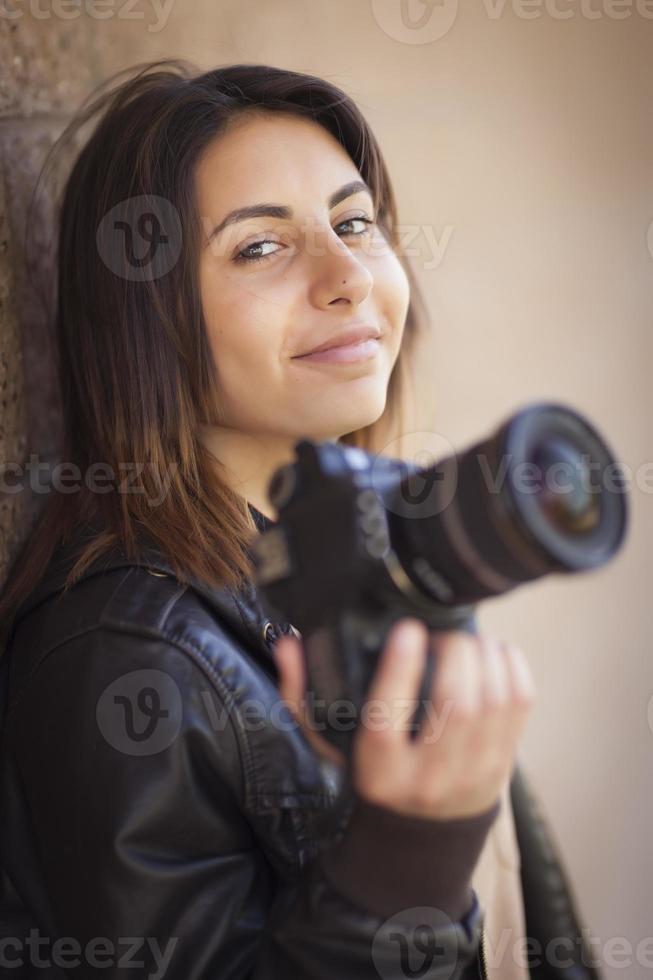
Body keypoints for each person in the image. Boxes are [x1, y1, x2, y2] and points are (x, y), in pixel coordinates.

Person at [0, 60, 600, 979]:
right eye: (258, 247)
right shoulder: (124, 656)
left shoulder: (373, 570)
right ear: (146, 320)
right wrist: (406, 859)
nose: (347, 276)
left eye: (354, 223)